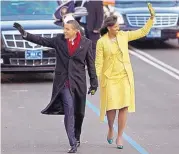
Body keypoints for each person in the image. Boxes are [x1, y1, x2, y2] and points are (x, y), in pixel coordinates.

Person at [13, 14, 98, 153]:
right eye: (64, 28)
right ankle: (72, 143)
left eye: (68, 29)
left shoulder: (86, 43)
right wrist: (25, 34)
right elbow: (42, 40)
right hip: (63, 83)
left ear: (75, 31)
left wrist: (94, 83)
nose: (65, 31)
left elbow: (91, 64)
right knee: (69, 111)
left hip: (79, 83)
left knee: (79, 113)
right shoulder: (59, 40)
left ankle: (77, 136)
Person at [95, 3, 155, 149]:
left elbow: (142, 32)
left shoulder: (123, 36)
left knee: (123, 107)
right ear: (109, 27)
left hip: (124, 77)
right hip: (109, 79)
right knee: (111, 108)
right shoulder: (101, 42)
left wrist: (151, 19)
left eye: (118, 26)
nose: (118, 29)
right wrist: (98, 79)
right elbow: (98, 63)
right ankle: (111, 128)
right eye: (116, 27)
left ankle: (120, 136)